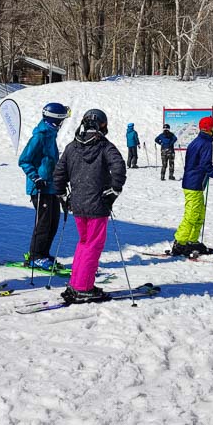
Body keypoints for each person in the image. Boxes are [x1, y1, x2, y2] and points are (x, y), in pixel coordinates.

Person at [53, 109, 126, 303]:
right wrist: (114, 190)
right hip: (97, 204)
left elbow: (59, 173)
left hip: (78, 204)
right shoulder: (104, 146)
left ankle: (76, 282)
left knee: (84, 243)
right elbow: (119, 166)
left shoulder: (72, 147)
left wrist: (62, 194)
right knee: (92, 245)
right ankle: (83, 287)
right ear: (102, 125)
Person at [18, 102, 69, 269]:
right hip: (40, 188)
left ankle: (44, 254)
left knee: (53, 221)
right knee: (44, 223)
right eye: (61, 120)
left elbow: (49, 162)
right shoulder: (40, 136)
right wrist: (36, 178)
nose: (62, 124)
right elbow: (24, 160)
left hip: (51, 187)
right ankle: (35, 255)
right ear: (56, 120)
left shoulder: (50, 135)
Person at [172, 116, 213, 257]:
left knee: (199, 213)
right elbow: (205, 165)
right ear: (210, 129)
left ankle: (192, 241)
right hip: (193, 183)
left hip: (195, 183)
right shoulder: (205, 143)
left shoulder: (198, 141)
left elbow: (200, 163)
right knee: (192, 214)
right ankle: (180, 243)